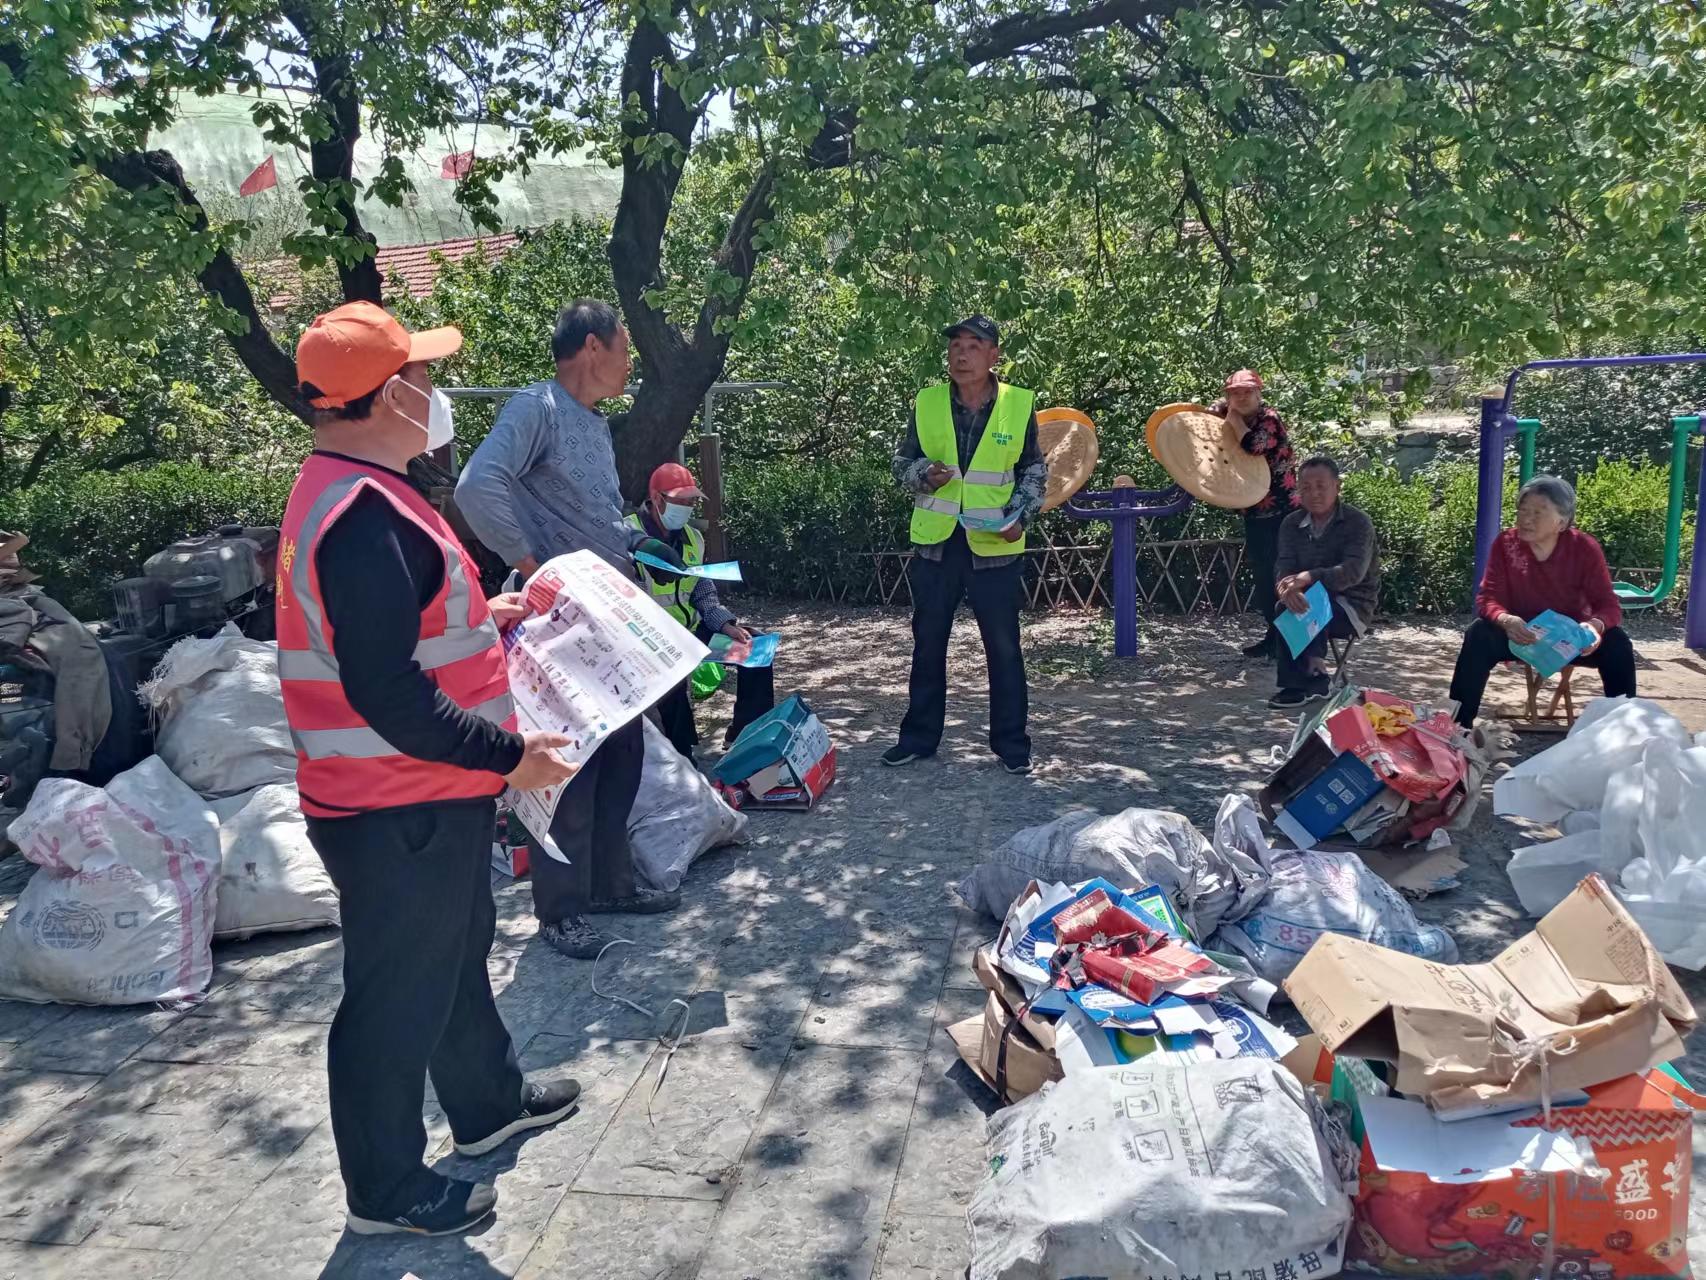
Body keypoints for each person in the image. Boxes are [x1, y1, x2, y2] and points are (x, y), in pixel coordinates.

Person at [282, 301, 582, 1237]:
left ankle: (487, 1103)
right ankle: (384, 1189)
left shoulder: (355, 488)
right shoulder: (363, 519)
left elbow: (386, 633)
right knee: (393, 993)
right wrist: (511, 756)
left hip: (411, 795)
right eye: (420, 375)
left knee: (451, 955)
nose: (434, 391)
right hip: (393, 800)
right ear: (387, 396)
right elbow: (388, 692)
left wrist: (483, 617)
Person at [456, 299, 682, 961]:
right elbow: (477, 484)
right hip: (558, 619)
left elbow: (592, 513)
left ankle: (609, 885)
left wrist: (635, 547)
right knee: (568, 766)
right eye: (624, 349)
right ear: (592, 347)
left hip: (604, 612)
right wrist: (531, 564)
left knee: (622, 754)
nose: (629, 363)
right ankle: (559, 912)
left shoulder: (593, 425)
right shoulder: (538, 408)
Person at [884, 314, 1048, 774]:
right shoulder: (928, 402)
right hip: (937, 545)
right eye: (956, 344)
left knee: (1004, 648)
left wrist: (1021, 515)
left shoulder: (1019, 405)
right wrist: (922, 475)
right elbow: (902, 462)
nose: (961, 353)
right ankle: (918, 738)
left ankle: (1013, 746)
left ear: (994, 355)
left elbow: (1034, 471)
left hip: (994, 545)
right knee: (928, 644)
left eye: (974, 345)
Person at [1448, 474, 1636, 726]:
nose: (1526, 519)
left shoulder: (1584, 548)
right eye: (1522, 510)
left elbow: (1608, 605)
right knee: (1479, 634)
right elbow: (1488, 598)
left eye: (1538, 512)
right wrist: (1506, 619)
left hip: (1569, 641)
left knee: (1617, 643)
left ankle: (1626, 729)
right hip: (1522, 636)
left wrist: (1595, 626)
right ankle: (1458, 728)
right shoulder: (1506, 543)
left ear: (1562, 521)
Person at [627, 461, 775, 757]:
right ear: (657, 499)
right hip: (649, 640)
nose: (687, 508)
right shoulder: (626, 534)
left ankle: (745, 735)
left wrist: (725, 624)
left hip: (692, 631)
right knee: (671, 684)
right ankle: (681, 755)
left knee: (756, 649)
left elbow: (704, 593)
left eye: (691, 502)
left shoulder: (693, 538)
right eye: (681, 502)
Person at [1269, 455, 1380, 708]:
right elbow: (1283, 565)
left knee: (1311, 602)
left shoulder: (1357, 523)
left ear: (1337, 487)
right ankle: (1311, 677)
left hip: (1352, 605)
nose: (1314, 494)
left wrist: (1309, 577)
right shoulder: (1291, 524)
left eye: (1321, 486)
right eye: (1306, 488)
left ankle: (1308, 678)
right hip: (1307, 599)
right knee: (1287, 606)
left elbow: (1352, 572)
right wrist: (1285, 588)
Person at [1212, 369, 1296, 660]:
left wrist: (1232, 418)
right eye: (1235, 392)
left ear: (1259, 394)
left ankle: (1289, 643)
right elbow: (1207, 419)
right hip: (1255, 511)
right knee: (1263, 577)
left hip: (1283, 513)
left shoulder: (1268, 419)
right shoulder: (1230, 413)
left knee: (1282, 575)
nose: (1242, 397)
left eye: (1247, 391)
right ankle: (1273, 638)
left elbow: (1253, 446)